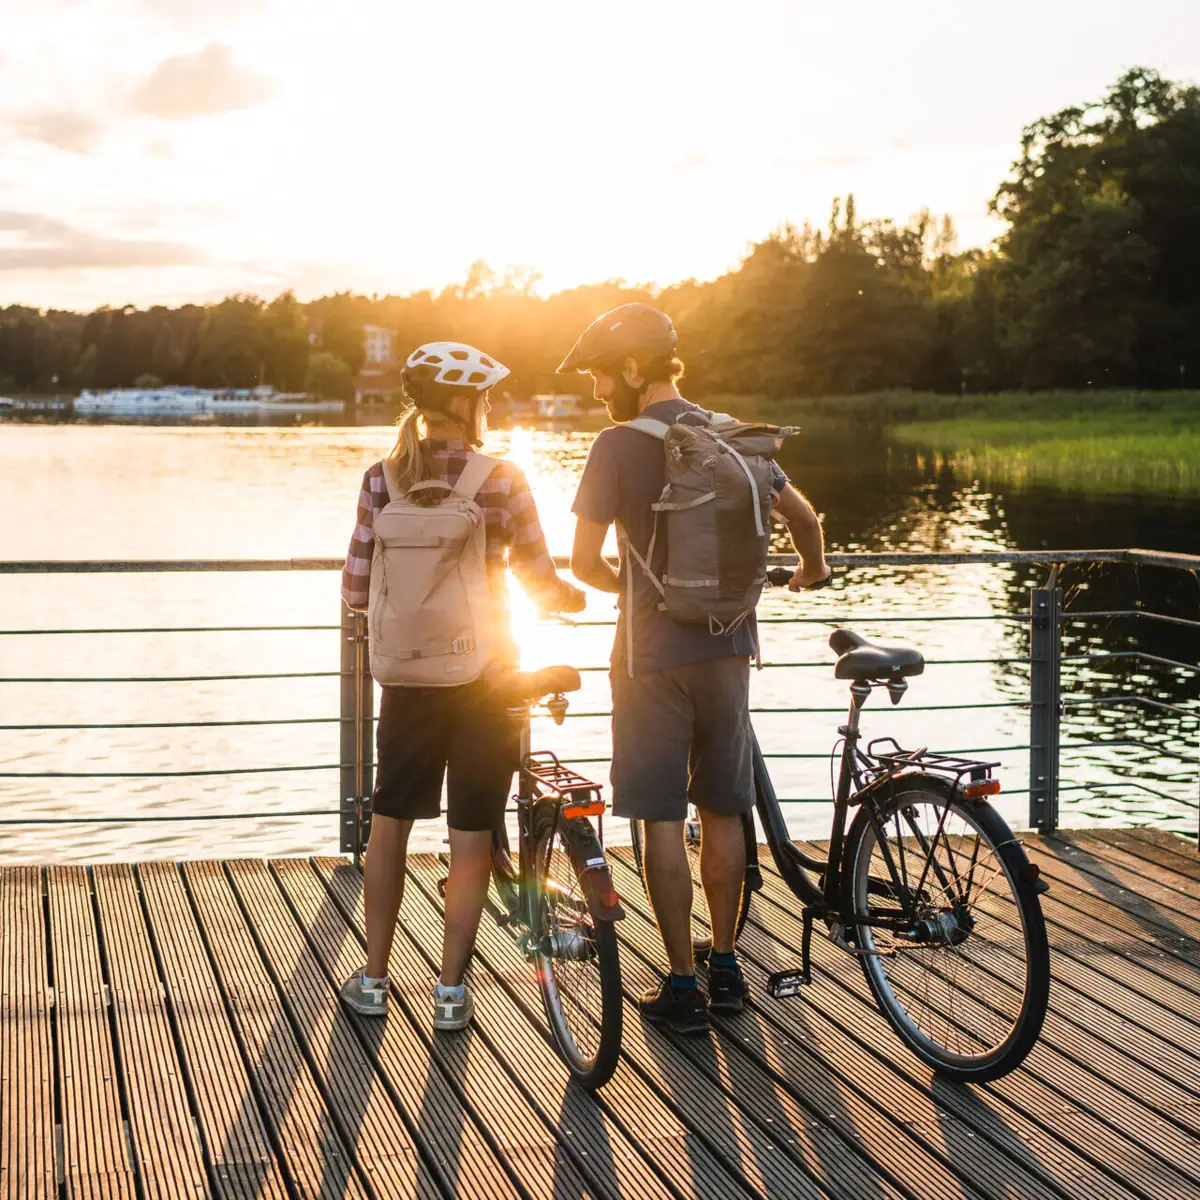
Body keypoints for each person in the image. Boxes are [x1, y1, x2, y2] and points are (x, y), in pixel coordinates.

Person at [563, 304, 829, 1035]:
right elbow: (805, 521)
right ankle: (727, 966)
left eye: (597, 375)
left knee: (658, 818)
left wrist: (642, 587)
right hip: (732, 648)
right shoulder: (732, 434)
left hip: (652, 658)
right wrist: (812, 572)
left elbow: (585, 563)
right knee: (722, 809)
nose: (595, 391)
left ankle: (681, 986)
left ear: (630, 368)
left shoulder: (616, 445)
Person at [339, 341, 585, 1031]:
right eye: (483, 396)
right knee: (472, 833)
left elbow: (356, 589)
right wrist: (570, 597)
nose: (489, 407)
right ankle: (452, 994)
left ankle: (376, 978)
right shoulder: (501, 478)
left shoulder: (380, 479)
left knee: (389, 825)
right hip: (488, 678)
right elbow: (538, 581)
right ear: (463, 402)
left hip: (410, 682)